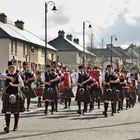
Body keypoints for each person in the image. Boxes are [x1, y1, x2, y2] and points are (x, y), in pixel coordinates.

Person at [0, 61, 25, 133]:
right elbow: (1, 76)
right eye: (10, 68)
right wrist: (10, 77)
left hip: (15, 93)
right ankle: (7, 126)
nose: (11, 69)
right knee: (7, 112)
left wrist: (13, 85)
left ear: (15, 68)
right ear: (9, 68)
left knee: (16, 112)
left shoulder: (18, 75)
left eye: (13, 68)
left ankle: (15, 126)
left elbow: (22, 85)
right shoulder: (6, 75)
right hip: (8, 94)